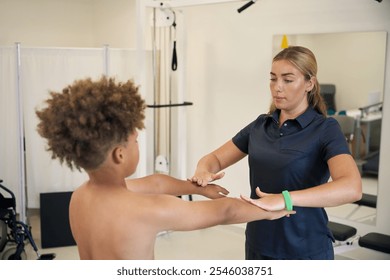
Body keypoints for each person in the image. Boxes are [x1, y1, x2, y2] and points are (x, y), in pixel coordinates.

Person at [35, 76, 294, 260]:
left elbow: (155, 183)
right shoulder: (146, 209)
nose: (138, 144)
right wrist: (275, 206)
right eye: (135, 141)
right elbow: (225, 211)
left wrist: (198, 188)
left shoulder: (81, 196)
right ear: (120, 154)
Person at [190, 46, 362, 260]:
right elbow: (214, 158)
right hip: (259, 242)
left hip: (305, 247)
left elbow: (352, 188)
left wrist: (285, 199)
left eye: (288, 80)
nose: (277, 87)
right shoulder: (261, 125)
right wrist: (204, 170)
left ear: (310, 83)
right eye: (273, 79)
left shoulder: (325, 129)